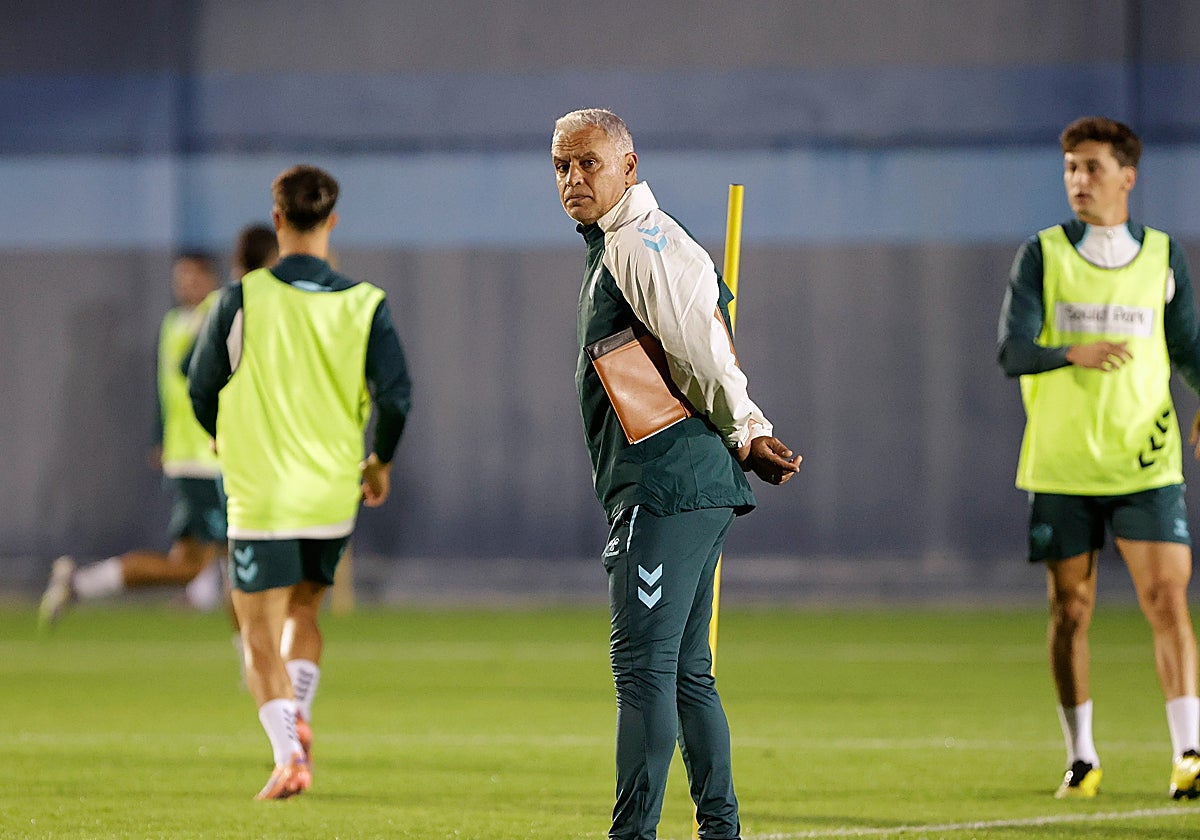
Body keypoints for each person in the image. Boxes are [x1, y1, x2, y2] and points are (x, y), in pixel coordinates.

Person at [552, 108, 801, 840]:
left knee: (643, 674)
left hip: (666, 487)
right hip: (679, 485)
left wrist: (750, 429)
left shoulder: (642, 241)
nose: (573, 179)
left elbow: (702, 347)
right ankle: (719, 830)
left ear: (629, 166)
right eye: (563, 166)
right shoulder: (617, 244)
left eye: (588, 163)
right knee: (688, 674)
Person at [188, 164, 411, 800]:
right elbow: (396, 396)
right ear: (332, 221)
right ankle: (301, 713)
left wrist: (218, 431)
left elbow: (203, 385)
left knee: (258, 630)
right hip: (332, 492)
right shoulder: (365, 303)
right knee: (307, 609)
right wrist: (380, 462)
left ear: (278, 219)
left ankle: (289, 756)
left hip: (262, 493)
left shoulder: (243, 298)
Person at [998, 115, 1200, 800]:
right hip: (1062, 465)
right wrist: (1069, 353)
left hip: (1147, 461)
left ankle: (1190, 755)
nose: (1078, 180)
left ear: (1127, 176)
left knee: (1169, 598)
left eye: (1091, 168)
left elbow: (1189, 346)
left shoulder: (1163, 257)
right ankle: (1081, 758)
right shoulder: (1043, 255)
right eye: (1070, 169)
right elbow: (1012, 351)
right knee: (1071, 610)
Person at [39, 253, 229, 628]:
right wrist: (161, 437)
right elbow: (169, 386)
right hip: (202, 459)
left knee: (193, 564)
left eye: (193, 275)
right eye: (180, 276)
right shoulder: (186, 320)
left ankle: (80, 583)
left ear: (211, 277)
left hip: (212, 457)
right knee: (234, 557)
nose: (185, 283)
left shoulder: (218, 310)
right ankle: (258, 664)